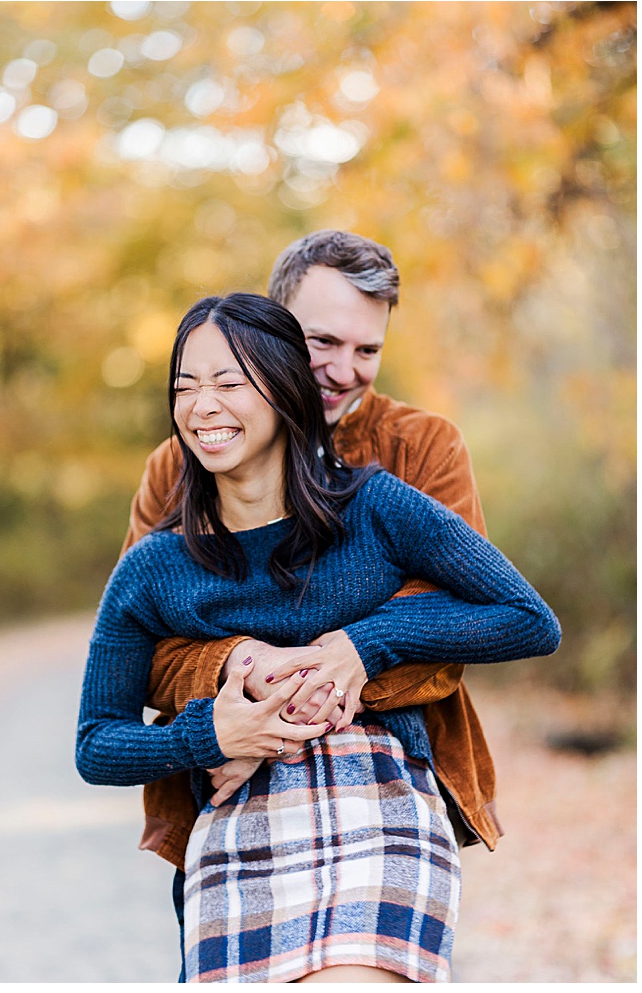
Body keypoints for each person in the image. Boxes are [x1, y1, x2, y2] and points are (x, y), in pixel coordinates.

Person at [79, 292, 561, 983]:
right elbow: (97, 743)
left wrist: (368, 644)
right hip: (236, 812)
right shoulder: (155, 565)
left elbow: (528, 618)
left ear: (285, 392)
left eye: (228, 383)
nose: (201, 405)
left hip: (382, 796)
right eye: (185, 387)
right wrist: (210, 737)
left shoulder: (376, 506)